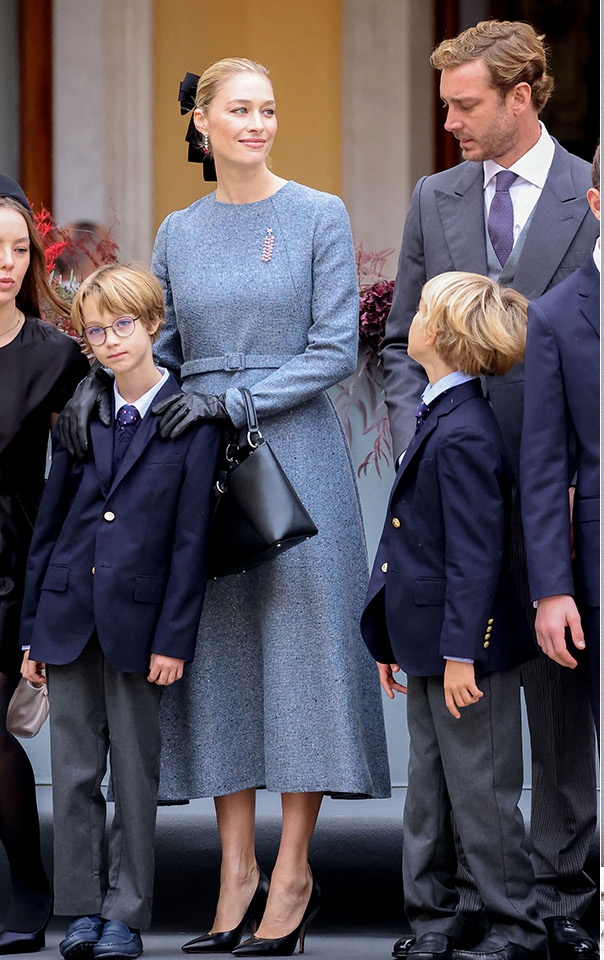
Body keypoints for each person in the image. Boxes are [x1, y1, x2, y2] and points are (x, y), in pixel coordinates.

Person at [59, 58, 392, 951]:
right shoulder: (179, 228)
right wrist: (112, 386)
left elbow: (333, 349)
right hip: (197, 454)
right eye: (240, 110)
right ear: (202, 124)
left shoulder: (319, 214)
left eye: (269, 109)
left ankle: (294, 871)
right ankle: (234, 868)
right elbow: (162, 339)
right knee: (220, 659)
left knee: (306, 650)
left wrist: (239, 399)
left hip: (296, 451)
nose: (257, 123)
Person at [379, 25, 599, 950]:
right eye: (446, 103)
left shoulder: (595, 194)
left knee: (556, 709)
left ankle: (563, 897)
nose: (450, 121)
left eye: (466, 104)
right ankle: (476, 897)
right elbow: (400, 342)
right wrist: (420, 434)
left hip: (559, 498)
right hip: (456, 485)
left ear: (523, 98)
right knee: (463, 722)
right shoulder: (436, 197)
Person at [19, 264, 222, 960]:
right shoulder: (84, 414)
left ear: (154, 326)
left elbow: (192, 545)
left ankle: (125, 913)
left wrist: (175, 639)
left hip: (141, 628)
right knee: (74, 771)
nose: (108, 342)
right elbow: (51, 531)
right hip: (69, 619)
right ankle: (81, 909)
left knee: (134, 773)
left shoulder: (190, 422)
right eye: (96, 331)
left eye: (122, 326)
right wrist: (33, 633)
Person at [364, 272, 542, 960]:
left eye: (419, 312)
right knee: (431, 793)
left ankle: (517, 929)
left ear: (435, 334)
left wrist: (464, 652)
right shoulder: (442, 413)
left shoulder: (464, 430)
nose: (407, 319)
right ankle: (436, 920)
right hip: (428, 644)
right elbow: (409, 538)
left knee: (483, 793)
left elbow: (477, 558)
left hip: (464, 652)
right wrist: (389, 634)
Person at [0, 175, 82, 953]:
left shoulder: (55, 354)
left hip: (11, 559)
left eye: (18, 248)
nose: (5, 262)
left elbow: (97, 456)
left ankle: (29, 885)